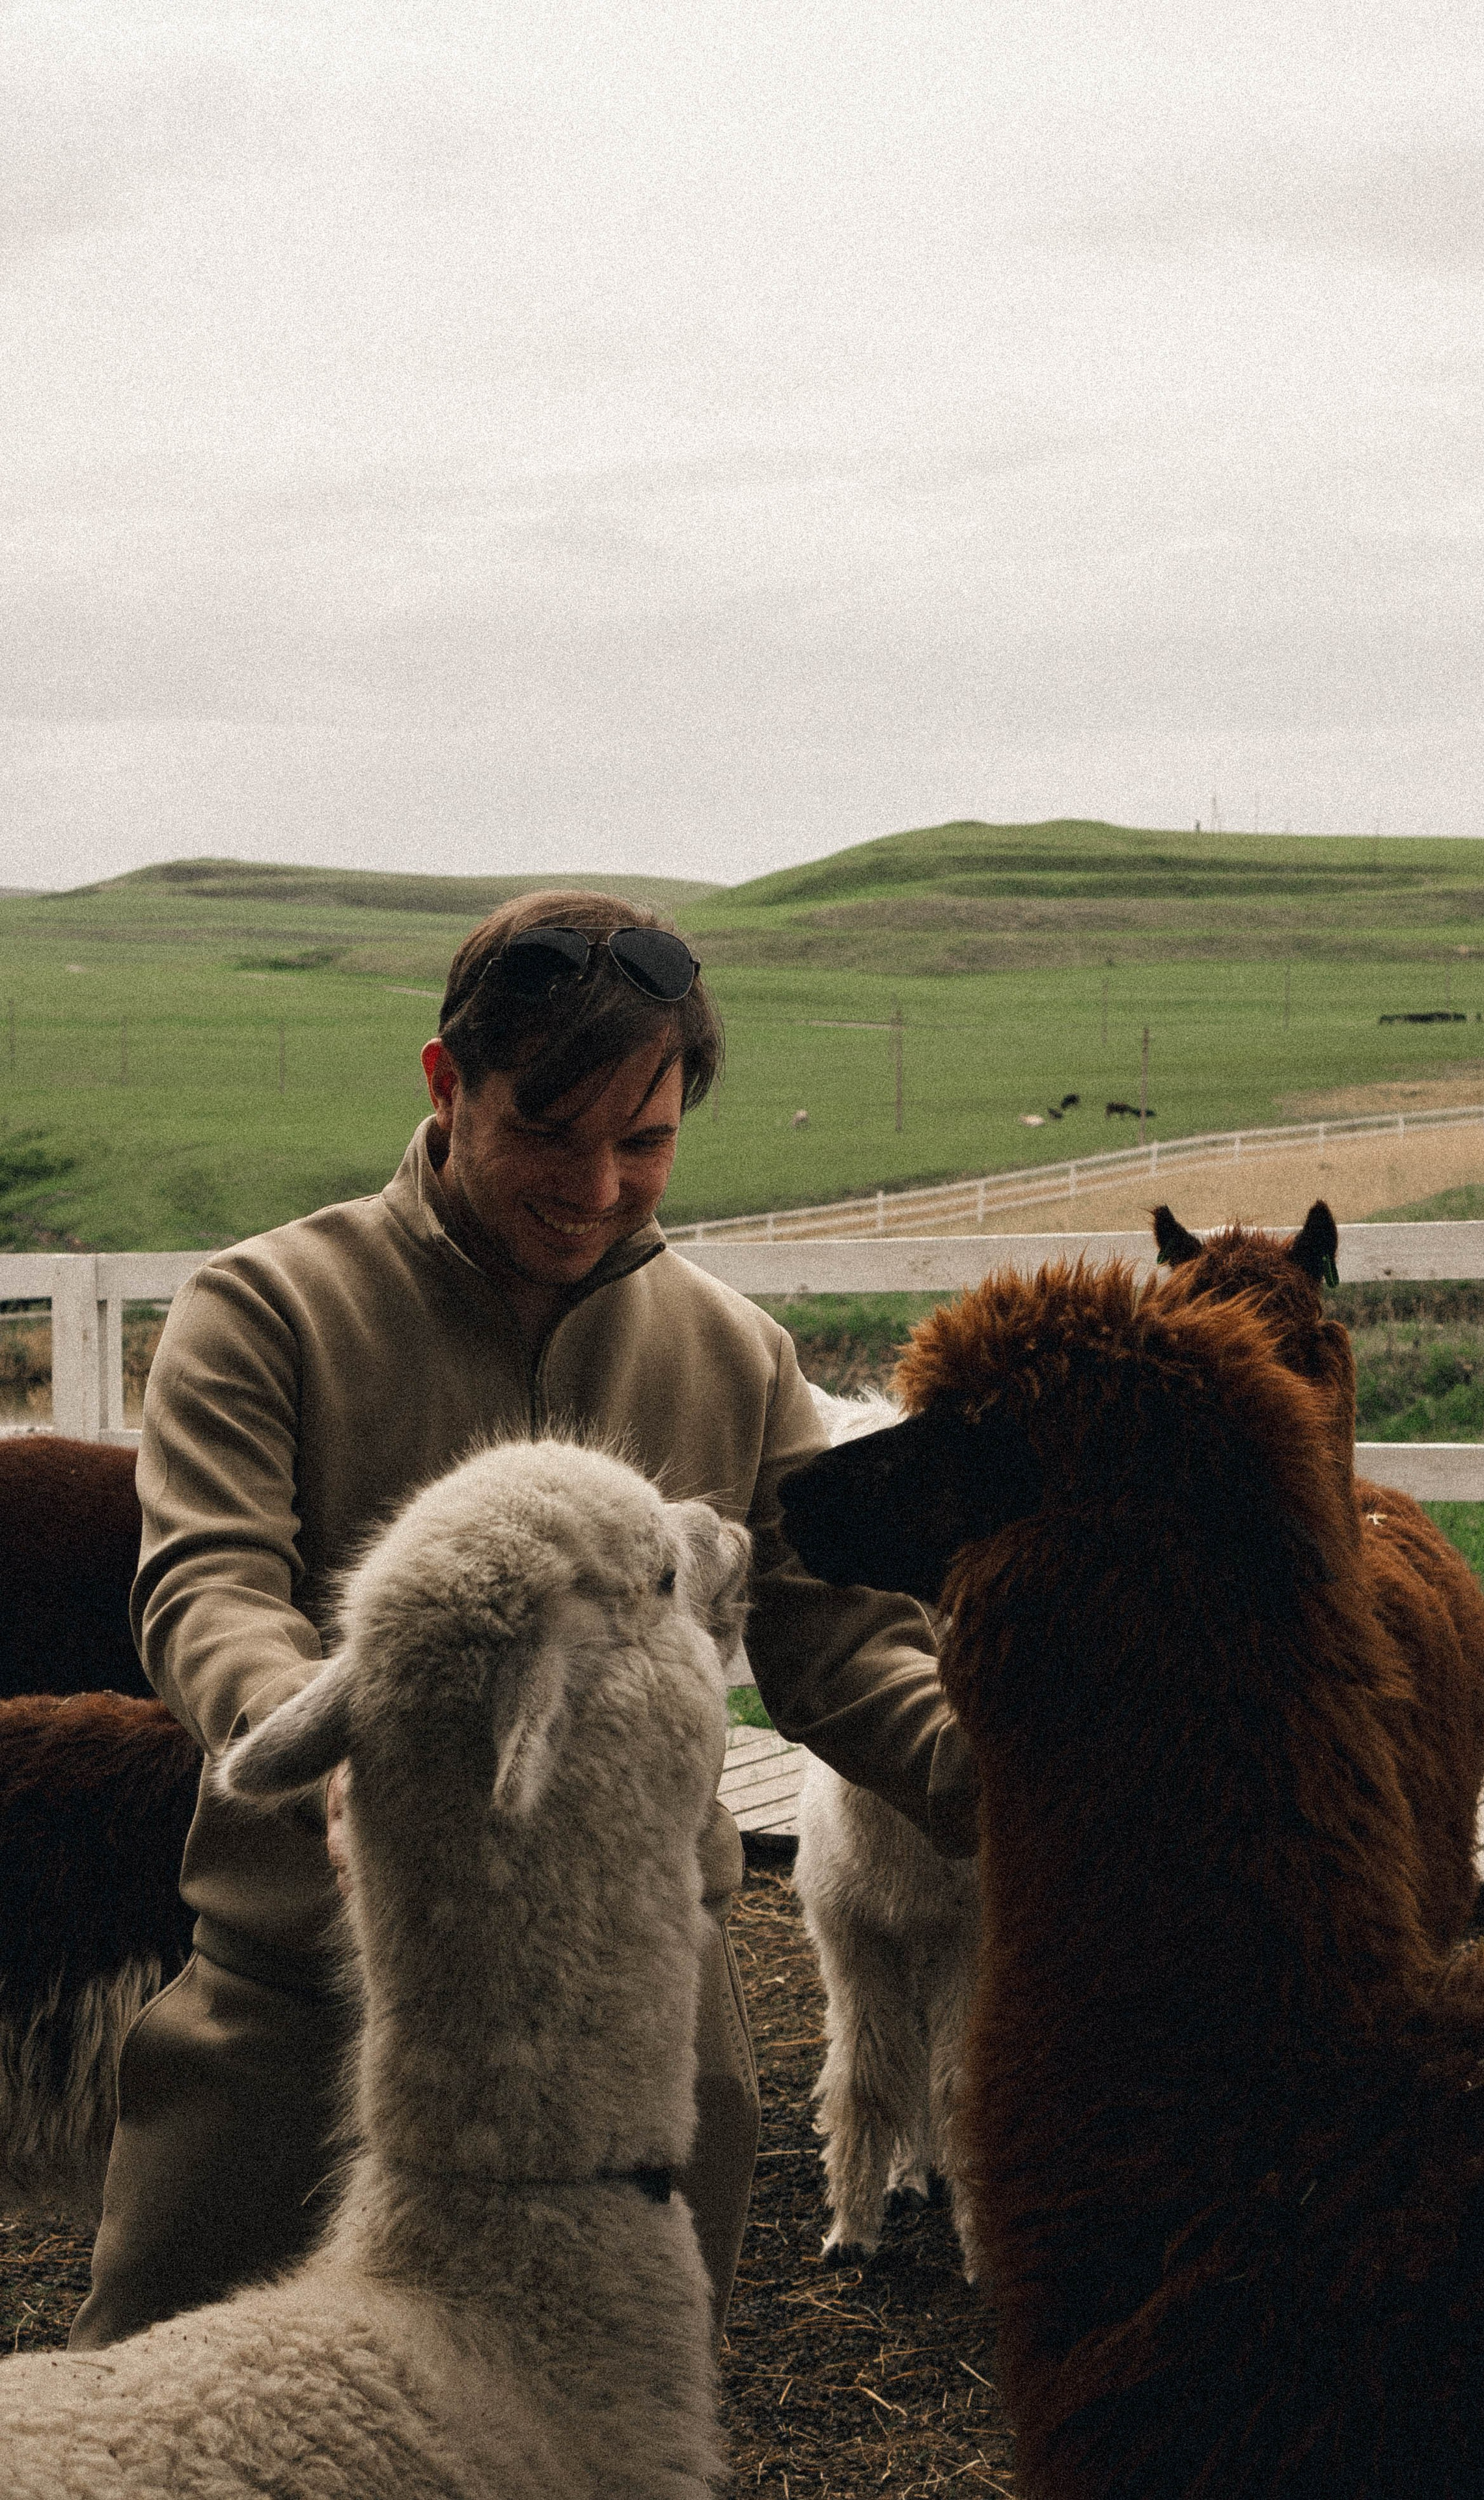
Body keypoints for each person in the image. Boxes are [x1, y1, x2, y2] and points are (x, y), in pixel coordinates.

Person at [71, 889, 976, 2351]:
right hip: (316, 1988)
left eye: (645, 1142)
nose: (597, 1185)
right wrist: (332, 1745)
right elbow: (209, 1585)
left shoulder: (737, 1357)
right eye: (548, 1132)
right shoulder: (263, 1313)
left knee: (602, 2426)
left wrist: (1013, 1780)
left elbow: (841, 1646)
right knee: (176, 2402)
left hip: (642, 2021)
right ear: (447, 1083)